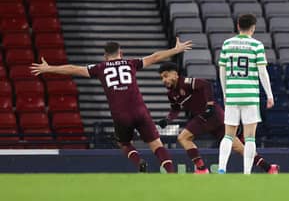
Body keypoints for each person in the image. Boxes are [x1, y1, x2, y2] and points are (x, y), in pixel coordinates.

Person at [30, 39, 193, 173]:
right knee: (156, 144)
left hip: (121, 115)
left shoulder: (99, 68)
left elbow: (73, 69)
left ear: (105, 56)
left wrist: (49, 68)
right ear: (120, 53)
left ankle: (139, 163)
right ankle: (171, 173)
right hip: (140, 110)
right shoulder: (131, 63)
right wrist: (175, 50)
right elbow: (155, 57)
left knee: (124, 143)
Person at [158, 62, 279, 174]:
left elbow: (206, 85)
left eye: (166, 76)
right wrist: (167, 119)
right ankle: (268, 168)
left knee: (183, 137)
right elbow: (175, 109)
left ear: (175, 73)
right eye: (162, 78)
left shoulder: (185, 82)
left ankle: (201, 169)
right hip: (209, 117)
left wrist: (209, 105)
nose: (164, 80)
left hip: (211, 114)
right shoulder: (171, 94)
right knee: (239, 147)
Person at [217, 14, 274, 174]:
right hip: (250, 96)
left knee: (228, 135)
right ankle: (247, 173)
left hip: (233, 94)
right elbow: (263, 72)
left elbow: (222, 71)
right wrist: (269, 94)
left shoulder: (227, 44)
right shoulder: (257, 45)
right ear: (253, 27)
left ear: (238, 26)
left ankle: (221, 168)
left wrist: (225, 93)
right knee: (250, 137)